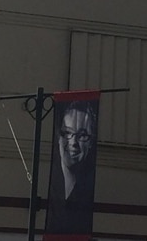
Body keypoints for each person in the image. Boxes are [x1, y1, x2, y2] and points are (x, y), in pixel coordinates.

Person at [46, 100, 98, 236]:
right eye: (67, 133)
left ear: (91, 142)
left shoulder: (87, 190)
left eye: (82, 136)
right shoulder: (48, 183)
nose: (73, 143)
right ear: (58, 137)